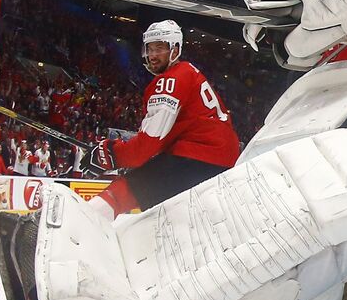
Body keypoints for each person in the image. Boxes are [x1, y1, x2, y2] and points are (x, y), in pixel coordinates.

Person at [89, 19, 240, 215]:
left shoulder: (170, 81)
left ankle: (76, 231)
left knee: (124, 191)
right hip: (219, 158)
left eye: (159, 48)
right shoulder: (189, 72)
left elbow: (144, 147)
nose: (152, 55)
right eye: (149, 49)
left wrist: (112, 154)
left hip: (198, 158)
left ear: (175, 50)